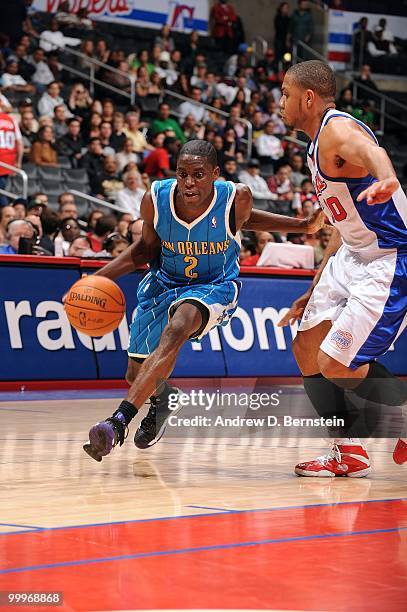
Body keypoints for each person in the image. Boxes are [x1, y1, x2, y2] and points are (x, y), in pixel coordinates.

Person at [80, 139, 324, 461]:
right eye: (183, 174)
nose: (189, 182)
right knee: (134, 374)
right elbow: (143, 251)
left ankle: (119, 421)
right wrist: (98, 278)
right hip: (163, 282)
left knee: (178, 326)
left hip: (214, 284)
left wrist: (302, 225)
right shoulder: (156, 199)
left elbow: (246, 218)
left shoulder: (236, 197)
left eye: (198, 174)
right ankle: (164, 399)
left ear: (215, 174)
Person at [278, 60, 407, 476]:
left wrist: (386, 177)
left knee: (336, 363)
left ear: (308, 98)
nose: (280, 101)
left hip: (390, 257)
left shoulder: (336, 130)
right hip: (353, 253)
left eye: (285, 94)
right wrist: (315, 285)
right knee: (306, 350)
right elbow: (342, 221)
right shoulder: (315, 143)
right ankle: (347, 450)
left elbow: (374, 152)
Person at [0, 100, 23, 205]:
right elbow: (19, 143)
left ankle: (7, 211)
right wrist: (18, 162)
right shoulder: (11, 120)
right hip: (9, 162)